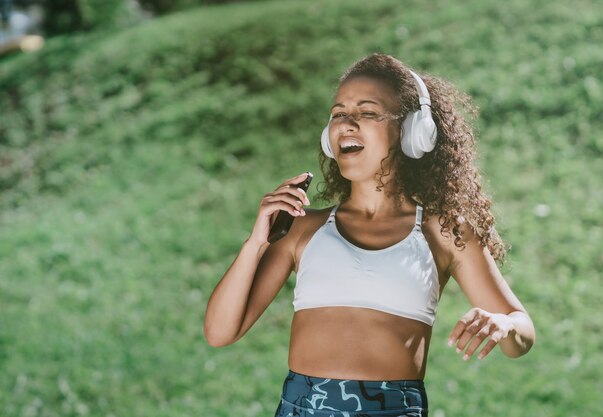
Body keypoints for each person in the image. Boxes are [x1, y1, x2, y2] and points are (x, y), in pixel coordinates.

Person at [203, 53, 535, 417]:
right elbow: (221, 332)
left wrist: (504, 324)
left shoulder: (443, 231)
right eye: (338, 114)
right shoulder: (302, 229)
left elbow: (522, 331)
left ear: (412, 132)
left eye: (367, 113)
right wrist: (256, 242)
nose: (347, 124)